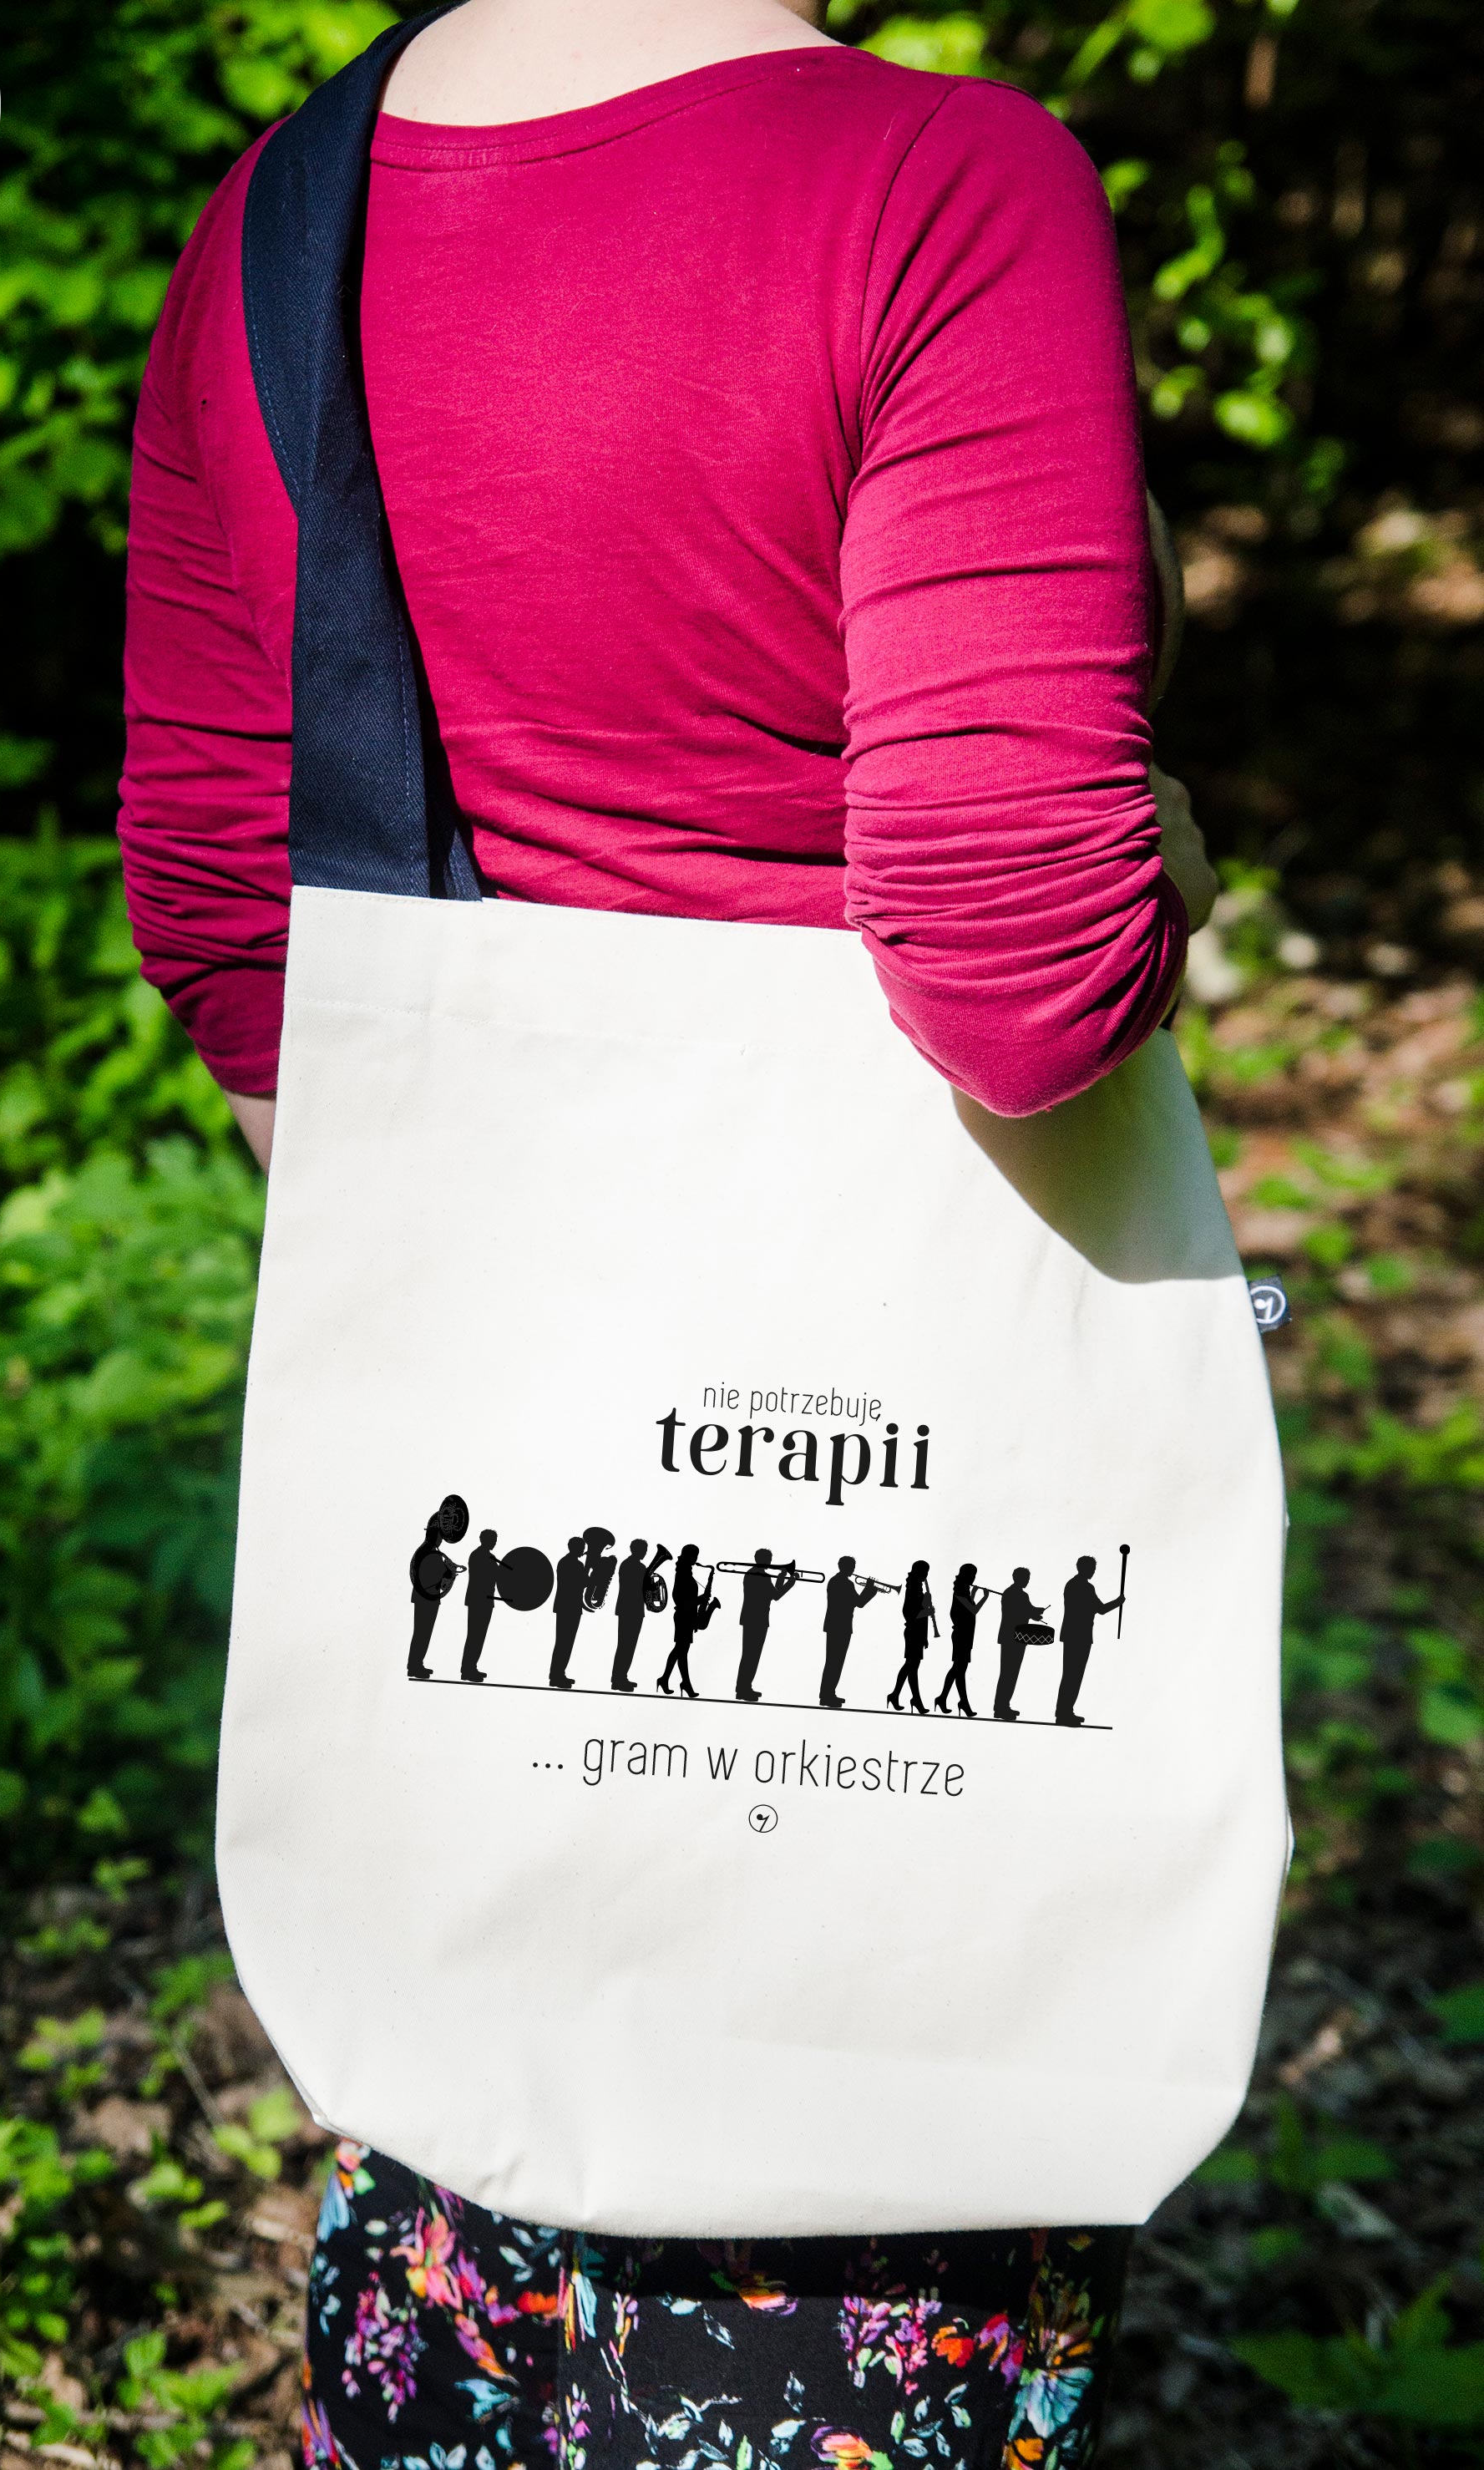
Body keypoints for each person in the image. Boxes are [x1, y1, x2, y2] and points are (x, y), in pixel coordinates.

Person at [121, 0, 1218, 2452]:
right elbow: (1014, 972)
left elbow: (235, 928)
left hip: (487, 1541)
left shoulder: (281, 223)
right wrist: (1168, 847)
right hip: (891, 1547)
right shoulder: (942, 192)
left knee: (490, 2165)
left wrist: (529, 1319)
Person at [1057, 1552, 1123, 1726]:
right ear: (1084, 1569)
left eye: (1094, 1569)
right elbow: (1101, 1609)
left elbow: (1097, 1609)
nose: (1093, 1572)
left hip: (1075, 1634)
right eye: (1092, 1569)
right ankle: (1064, 1713)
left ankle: (1065, 1711)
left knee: (1072, 1675)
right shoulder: (1084, 1587)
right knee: (1073, 1676)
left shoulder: (1073, 1584)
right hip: (1079, 1635)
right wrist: (1118, 1602)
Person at [734, 1549, 799, 1702]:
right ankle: (743, 1689)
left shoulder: (752, 1573)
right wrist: (791, 1581)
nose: (770, 1562)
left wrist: (782, 1577)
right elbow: (776, 1595)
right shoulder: (762, 1576)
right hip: (757, 1620)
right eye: (768, 1559)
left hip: (751, 1619)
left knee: (749, 1656)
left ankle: (744, 1688)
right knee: (751, 1656)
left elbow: (773, 1593)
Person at [611, 1539, 670, 1692]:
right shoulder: (633, 1566)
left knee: (627, 1646)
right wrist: (652, 1586)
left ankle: (620, 1678)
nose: (645, 1553)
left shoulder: (634, 1566)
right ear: (636, 1550)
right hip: (631, 1609)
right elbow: (642, 1586)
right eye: (644, 1550)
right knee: (626, 1646)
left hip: (632, 1609)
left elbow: (644, 1586)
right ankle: (618, 1679)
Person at [819, 1555, 877, 1710]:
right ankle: (827, 1695)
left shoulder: (836, 1581)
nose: (853, 1570)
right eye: (851, 1567)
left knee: (834, 1662)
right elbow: (859, 1603)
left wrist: (869, 1590)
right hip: (841, 1626)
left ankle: (828, 1694)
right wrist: (870, 1589)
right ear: (844, 1567)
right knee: (835, 1662)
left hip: (835, 1625)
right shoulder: (844, 1583)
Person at [657, 1543, 713, 1698]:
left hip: (686, 1617)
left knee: (681, 1651)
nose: (696, 1559)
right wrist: (702, 1599)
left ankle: (668, 1680)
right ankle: (682, 1683)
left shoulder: (685, 1571)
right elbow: (680, 1599)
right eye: (695, 1556)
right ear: (690, 1556)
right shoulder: (683, 1573)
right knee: (680, 1651)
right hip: (683, 1616)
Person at [994, 1566, 1045, 1722]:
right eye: (1026, 1578)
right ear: (1019, 1578)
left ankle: (1003, 1706)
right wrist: (1035, 1613)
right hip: (1014, 1637)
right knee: (1009, 1673)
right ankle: (1001, 1708)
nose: (1027, 1581)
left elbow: (1027, 1610)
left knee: (1009, 1673)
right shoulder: (1017, 1594)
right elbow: (1022, 1612)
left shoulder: (1013, 1593)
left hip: (1014, 1637)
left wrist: (1035, 1612)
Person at [936, 1564, 986, 1717]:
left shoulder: (964, 1591)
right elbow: (973, 1611)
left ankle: (944, 1699)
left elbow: (968, 1608)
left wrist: (974, 1594)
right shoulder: (960, 1591)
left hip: (966, 1635)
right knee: (959, 1669)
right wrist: (984, 1598)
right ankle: (961, 1702)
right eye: (972, 1575)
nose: (974, 1578)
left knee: (959, 1669)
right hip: (962, 1636)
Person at [888, 1559, 937, 1712]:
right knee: (911, 1666)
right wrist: (928, 1610)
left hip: (917, 1633)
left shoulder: (917, 1588)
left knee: (911, 1667)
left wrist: (925, 1637)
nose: (926, 1575)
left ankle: (898, 1696)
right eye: (925, 1572)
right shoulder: (913, 1588)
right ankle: (914, 1699)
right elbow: (911, 1614)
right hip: (913, 1632)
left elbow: (920, 1615)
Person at [459, 1527, 502, 1682]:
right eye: (493, 1540)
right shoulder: (481, 1556)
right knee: (475, 1636)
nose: (495, 1543)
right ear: (487, 1540)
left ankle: (470, 1668)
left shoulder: (480, 1555)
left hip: (481, 1600)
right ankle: (468, 1669)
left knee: (477, 1636)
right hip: (480, 1600)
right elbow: (495, 1575)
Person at [406, 1515, 446, 1680]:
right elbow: (440, 1578)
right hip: (429, 1599)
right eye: (440, 1537)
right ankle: (415, 1666)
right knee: (423, 1633)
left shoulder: (422, 1550)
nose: (441, 1540)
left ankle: (415, 1665)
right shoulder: (433, 1553)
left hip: (422, 1597)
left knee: (420, 1633)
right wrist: (448, 1573)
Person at [547, 1536, 588, 1690]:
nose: (584, 1550)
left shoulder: (565, 1562)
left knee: (564, 1643)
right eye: (582, 1548)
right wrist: (597, 1574)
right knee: (565, 1643)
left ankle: (558, 1674)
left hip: (566, 1606)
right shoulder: (574, 1564)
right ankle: (556, 1676)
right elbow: (583, 1583)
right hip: (570, 1607)